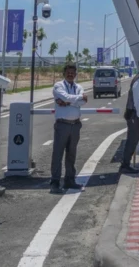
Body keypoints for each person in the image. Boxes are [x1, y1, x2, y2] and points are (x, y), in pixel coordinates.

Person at [51, 63, 88, 194]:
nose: (70, 74)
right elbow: (67, 97)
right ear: (64, 74)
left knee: (71, 154)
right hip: (62, 125)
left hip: (75, 125)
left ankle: (69, 180)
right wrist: (73, 100)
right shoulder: (58, 85)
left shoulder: (79, 86)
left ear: (76, 74)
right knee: (58, 154)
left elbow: (83, 101)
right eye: (68, 72)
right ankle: (55, 182)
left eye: (73, 72)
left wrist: (67, 102)